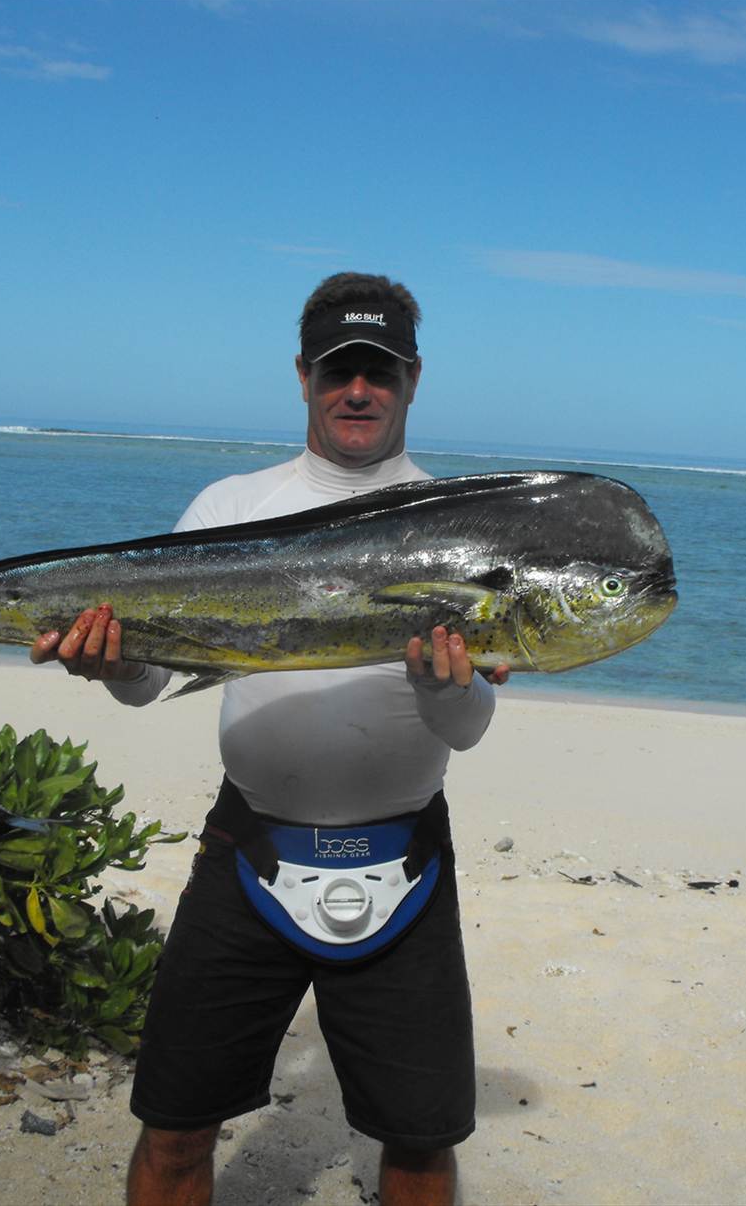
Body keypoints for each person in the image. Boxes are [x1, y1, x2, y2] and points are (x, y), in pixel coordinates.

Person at [31, 272, 506, 1206]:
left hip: (405, 848)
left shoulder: (462, 530)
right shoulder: (228, 507)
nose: (356, 391)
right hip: (246, 846)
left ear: (413, 378)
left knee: (420, 1146)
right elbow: (149, 684)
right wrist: (113, 662)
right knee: (172, 1130)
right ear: (302, 377)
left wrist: (439, 686)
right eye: (338, 371)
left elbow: (471, 725)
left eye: (376, 371)